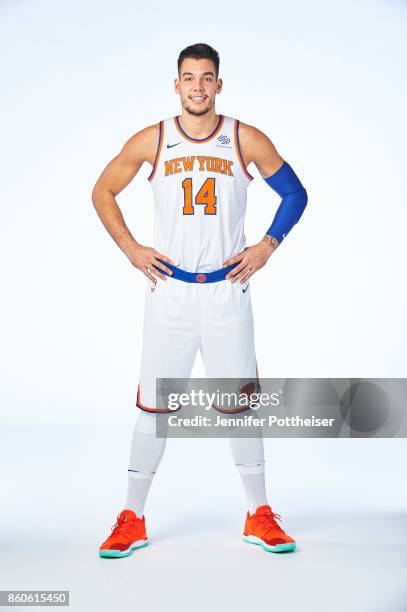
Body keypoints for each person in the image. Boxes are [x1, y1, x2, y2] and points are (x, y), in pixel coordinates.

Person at [92, 43, 307, 558]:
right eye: (188, 77)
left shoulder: (243, 138)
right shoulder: (153, 140)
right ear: (176, 85)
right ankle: (132, 516)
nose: (197, 86)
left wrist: (267, 245)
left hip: (227, 291)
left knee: (240, 409)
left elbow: (296, 194)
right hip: (169, 292)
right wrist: (130, 248)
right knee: (155, 409)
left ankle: (258, 514)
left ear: (218, 85)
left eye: (206, 78)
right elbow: (103, 191)